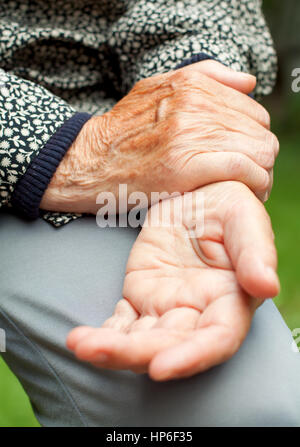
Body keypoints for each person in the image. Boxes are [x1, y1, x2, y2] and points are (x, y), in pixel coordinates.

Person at [0, 0, 300, 426]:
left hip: (117, 136)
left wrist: (196, 111)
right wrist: (64, 148)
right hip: (61, 149)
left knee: (242, 410)